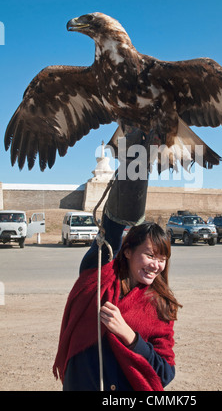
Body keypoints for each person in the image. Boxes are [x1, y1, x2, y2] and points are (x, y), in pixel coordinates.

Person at [53, 128, 181, 391]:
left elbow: (165, 373)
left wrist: (130, 335)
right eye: (149, 254)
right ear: (127, 252)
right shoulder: (99, 280)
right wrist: (136, 156)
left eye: (162, 258)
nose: (155, 264)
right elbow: (113, 228)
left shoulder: (160, 305)